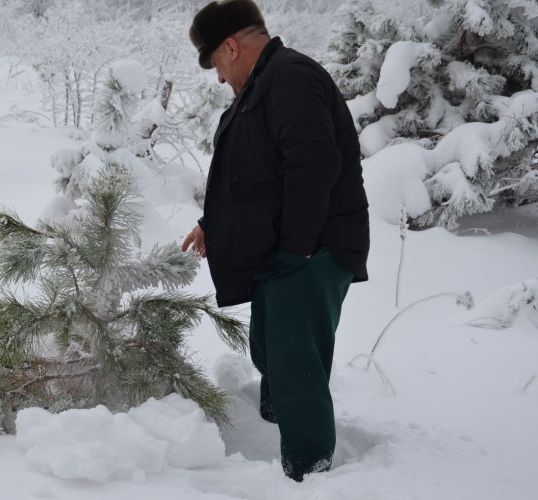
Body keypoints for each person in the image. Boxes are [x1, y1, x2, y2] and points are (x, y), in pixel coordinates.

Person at [181, 0, 370, 482]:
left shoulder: (290, 77)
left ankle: (309, 475)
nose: (220, 78)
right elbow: (254, 176)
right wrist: (213, 224)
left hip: (314, 252)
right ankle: (274, 430)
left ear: (231, 46)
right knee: (270, 350)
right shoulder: (262, 86)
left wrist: (297, 249)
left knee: (295, 366)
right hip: (288, 253)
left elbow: (313, 164)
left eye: (218, 65)